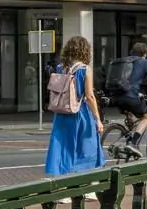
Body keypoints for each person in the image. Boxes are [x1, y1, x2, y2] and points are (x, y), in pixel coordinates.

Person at [45, 36, 104, 175]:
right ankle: (87, 186)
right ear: (84, 51)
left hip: (61, 113)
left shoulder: (60, 68)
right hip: (80, 112)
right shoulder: (85, 69)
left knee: (63, 147)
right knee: (86, 147)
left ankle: (63, 184)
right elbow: (89, 96)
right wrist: (98, 119)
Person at [103, 40, 147, 153]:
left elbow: (128, 81)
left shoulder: (125, 62)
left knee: (131, 115)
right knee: (145, 117)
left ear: (132, 52)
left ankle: (126, 138)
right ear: (145, 53)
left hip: (115, 96)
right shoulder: (145, 63)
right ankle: (133, 144)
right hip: (130, 96)